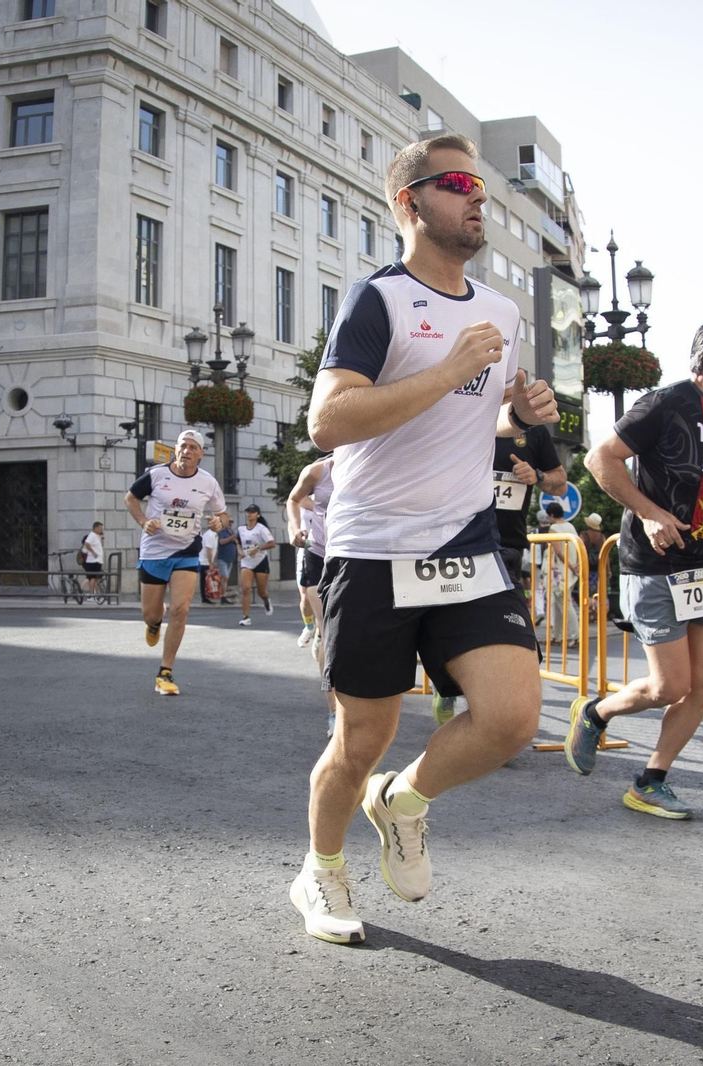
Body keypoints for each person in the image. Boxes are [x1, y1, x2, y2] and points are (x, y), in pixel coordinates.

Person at [288, 132, 558, 945]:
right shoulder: (379, 301)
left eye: (482, 187)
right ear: (410, 204)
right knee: (362, 737)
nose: (477, 198)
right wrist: (444, 371)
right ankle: (321, 871)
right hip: (373, 548)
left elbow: (489, 416)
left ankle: (402, 802)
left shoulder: (501, 313)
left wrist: (528, 414)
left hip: (465, 542)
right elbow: (328, 420)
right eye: (457, 184)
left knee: (510, 718)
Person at [565, 320, 703, 819]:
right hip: (656, 564)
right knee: (669, 687)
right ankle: (597, 712)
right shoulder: (666, 403)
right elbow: (601, 460)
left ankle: (651, 780)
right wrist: (648, 512)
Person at [124, 429, 227, 696]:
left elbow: (223, 516)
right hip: (154, 552)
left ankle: (165, 672)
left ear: (200, 454)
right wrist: (144, 522)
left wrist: (218, 523)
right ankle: (154, 623)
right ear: (175, 449)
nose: (187, 451)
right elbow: (131, 498)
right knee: (151, 613)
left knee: (181, 610)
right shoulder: (157, 474)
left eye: (193, 447)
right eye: (183, 446)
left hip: (186, 551)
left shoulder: (208, 482)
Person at [492, 420, 565, 589]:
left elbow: (561, 485)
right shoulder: (467, 415)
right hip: (457, 542)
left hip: (507, 546)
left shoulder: (533, 429)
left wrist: (536, 475)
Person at [288, 456, 335, 648]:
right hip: (311, 548)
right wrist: (295, 531)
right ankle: (313, 628)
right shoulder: (315, 478)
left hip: (346, 553)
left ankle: (319, 632)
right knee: (306, 598)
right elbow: (293, 502)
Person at [542, 500, 579, 644]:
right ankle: (557, 636)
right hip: (570, 571)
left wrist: (570, 565)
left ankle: (576, 636)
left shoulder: (554, 529)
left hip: (559, 572)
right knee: (560, 605)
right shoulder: (571, 526)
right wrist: (575, 566)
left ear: (551, 515)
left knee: (565, 604)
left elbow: (558, 552)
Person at [236, 504, 276, 626]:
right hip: (246, 562)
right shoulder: (241, 529)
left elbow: (272, 543)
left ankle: (266, 600)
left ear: (257, 515)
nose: (250, 514)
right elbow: (237, 541)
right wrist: (239, 551)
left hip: (260, 560)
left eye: (252, 512)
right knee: (246, 588)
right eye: (248, 511)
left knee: (261, 591)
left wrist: (258, 548)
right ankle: (246, 617)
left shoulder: (261, 529)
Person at [216, 512, 239, 605]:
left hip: (230, 558)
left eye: (232, 522)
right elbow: (221, 542)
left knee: (226, 578)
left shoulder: (231, 532)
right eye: (229, 522)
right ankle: (222, 596)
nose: (230, 524)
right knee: (224, 577)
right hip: (222, 558)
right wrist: (231, 538)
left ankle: (223, 595)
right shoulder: (223, 532)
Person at [81, 521, 105, 603]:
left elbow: (101, 545)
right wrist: (93, 552)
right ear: (95, 528)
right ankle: (92, 595)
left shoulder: (97, 536)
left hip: (98, 560)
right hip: (93, 560)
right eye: (100, 528)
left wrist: (102, 537)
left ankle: (96, 594)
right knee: (92, 578)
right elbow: (87, 544)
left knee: (94, 578)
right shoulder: (91, 535)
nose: (101, 529)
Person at [199, 525, 219, 604]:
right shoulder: (209, 535)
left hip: (209, 561)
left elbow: (215, 549)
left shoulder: (215, 535)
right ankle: (204, 597)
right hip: (204, 561)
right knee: (204, 580)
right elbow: (208, 550)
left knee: (208, 580)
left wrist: (214, 561)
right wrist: (211, 563)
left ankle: (207, 596)